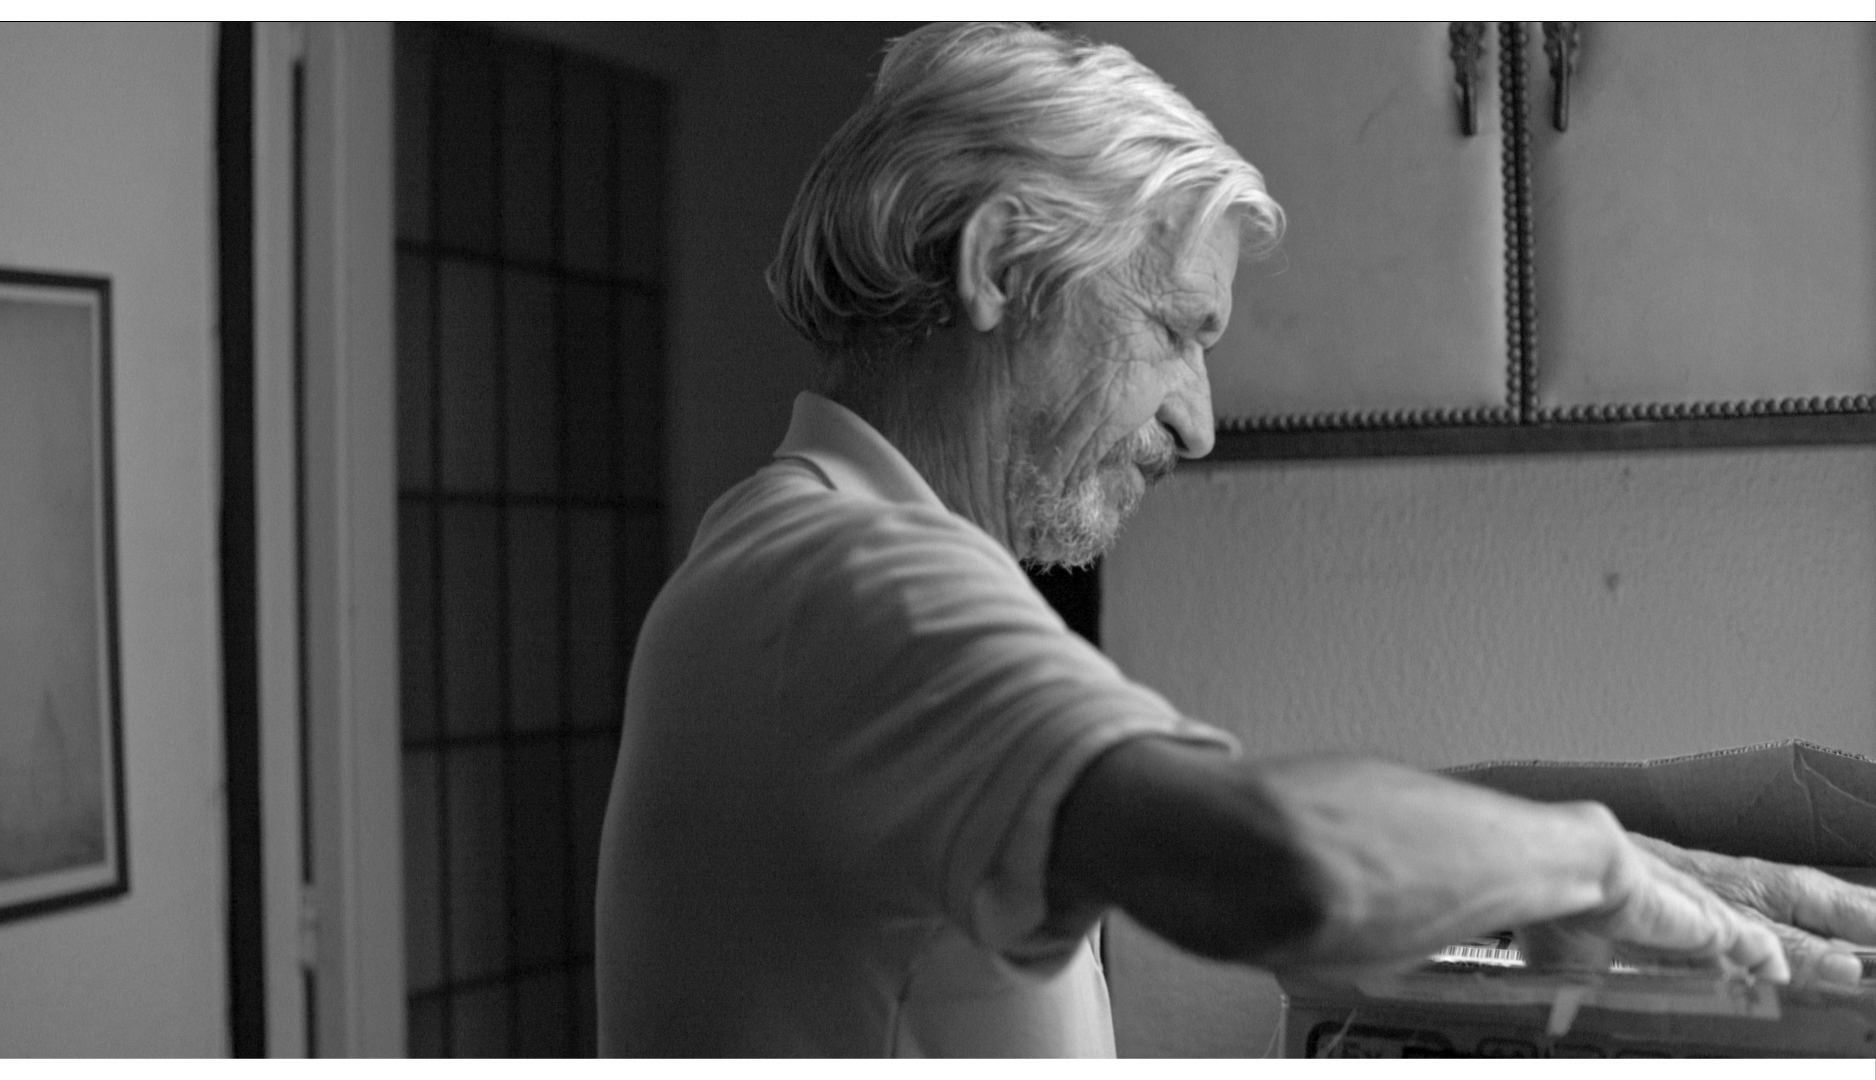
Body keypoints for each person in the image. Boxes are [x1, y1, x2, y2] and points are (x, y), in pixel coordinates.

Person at [594, 21, 1876, 1057]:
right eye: (1174, 331)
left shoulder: (800, 553)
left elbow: (1231, 876)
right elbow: (1280, 865)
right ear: (998, 267)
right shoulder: (855, 583)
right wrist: (1587, 866)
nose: (1198, 426)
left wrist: (1575, 874)